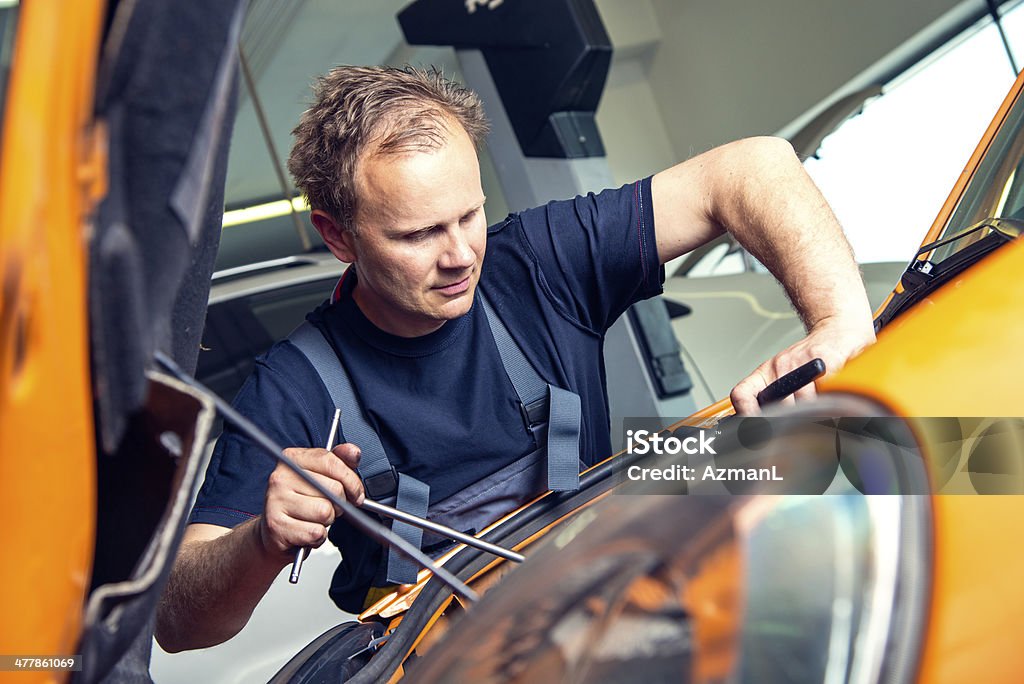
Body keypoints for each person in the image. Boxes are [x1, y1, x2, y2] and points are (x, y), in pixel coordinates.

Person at [154, 65, 875, 652]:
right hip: (460, 659)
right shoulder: (293, 388)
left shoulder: (537, 263)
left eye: (468, 214)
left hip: (626, 602)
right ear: (338, 238)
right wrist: (259, 539)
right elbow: (180, 623)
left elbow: (751, 167)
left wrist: (839, 322)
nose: (462, 255)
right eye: (418, 235)